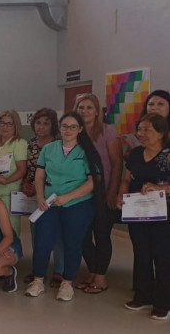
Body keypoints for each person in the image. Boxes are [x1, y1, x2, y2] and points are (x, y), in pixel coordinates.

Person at [25, 112, 102, 302]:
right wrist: (41, 198)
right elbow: (40, 175)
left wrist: (67, 197)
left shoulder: (87, 151)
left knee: (72, 243)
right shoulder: (49, 149)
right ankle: (38, 281)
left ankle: (67, 283)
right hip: (50, 203)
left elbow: (93, 182)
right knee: (42, 242)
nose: (68, 130)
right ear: (59, 128)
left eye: (73, 127)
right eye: (65, 126)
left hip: (78, 204)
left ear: (80, 129)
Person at [119, 113, 170, 320]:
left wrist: (159, 188)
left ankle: (163, 302)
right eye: (139, 129)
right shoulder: (136, 154)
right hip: (138, 213)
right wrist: (120, 194)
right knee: (141, 253)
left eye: (147, 129)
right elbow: (126, 178)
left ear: (161, 133)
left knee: (163, 256)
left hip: (163, 215)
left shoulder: (167, 155)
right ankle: (143, 295)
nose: (141, 134)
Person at [75, 94, 122, 294]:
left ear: (97, 111)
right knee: (83, 235)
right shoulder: (74, 131)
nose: (85, 111)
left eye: (89, 107)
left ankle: (101, 276)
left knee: (102, 234)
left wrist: (112, 192)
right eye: (81, 107)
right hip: (80, 192)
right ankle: (93, 271)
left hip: (103, 191)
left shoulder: (108, 131)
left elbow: (117, 162)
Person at [21, 108, 64, 286]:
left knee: (57, 236)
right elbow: (29, 170)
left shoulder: (59, 144)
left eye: (46, 123)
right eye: (38, 123)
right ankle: (38, 270)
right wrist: (26, 184)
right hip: (34, 195)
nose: (41, 127)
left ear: (53, 125)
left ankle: (59, 271)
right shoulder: (30, 145)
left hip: (54, 195)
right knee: (36, 234)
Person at [0, 110, 27, 235]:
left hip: (10, 195)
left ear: (16, 126)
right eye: (2, 123)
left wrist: (6, 180)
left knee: (10, 231)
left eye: (10, 124)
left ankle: (13, 254)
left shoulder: (19, 143)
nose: (5, 127)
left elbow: (22, 169)